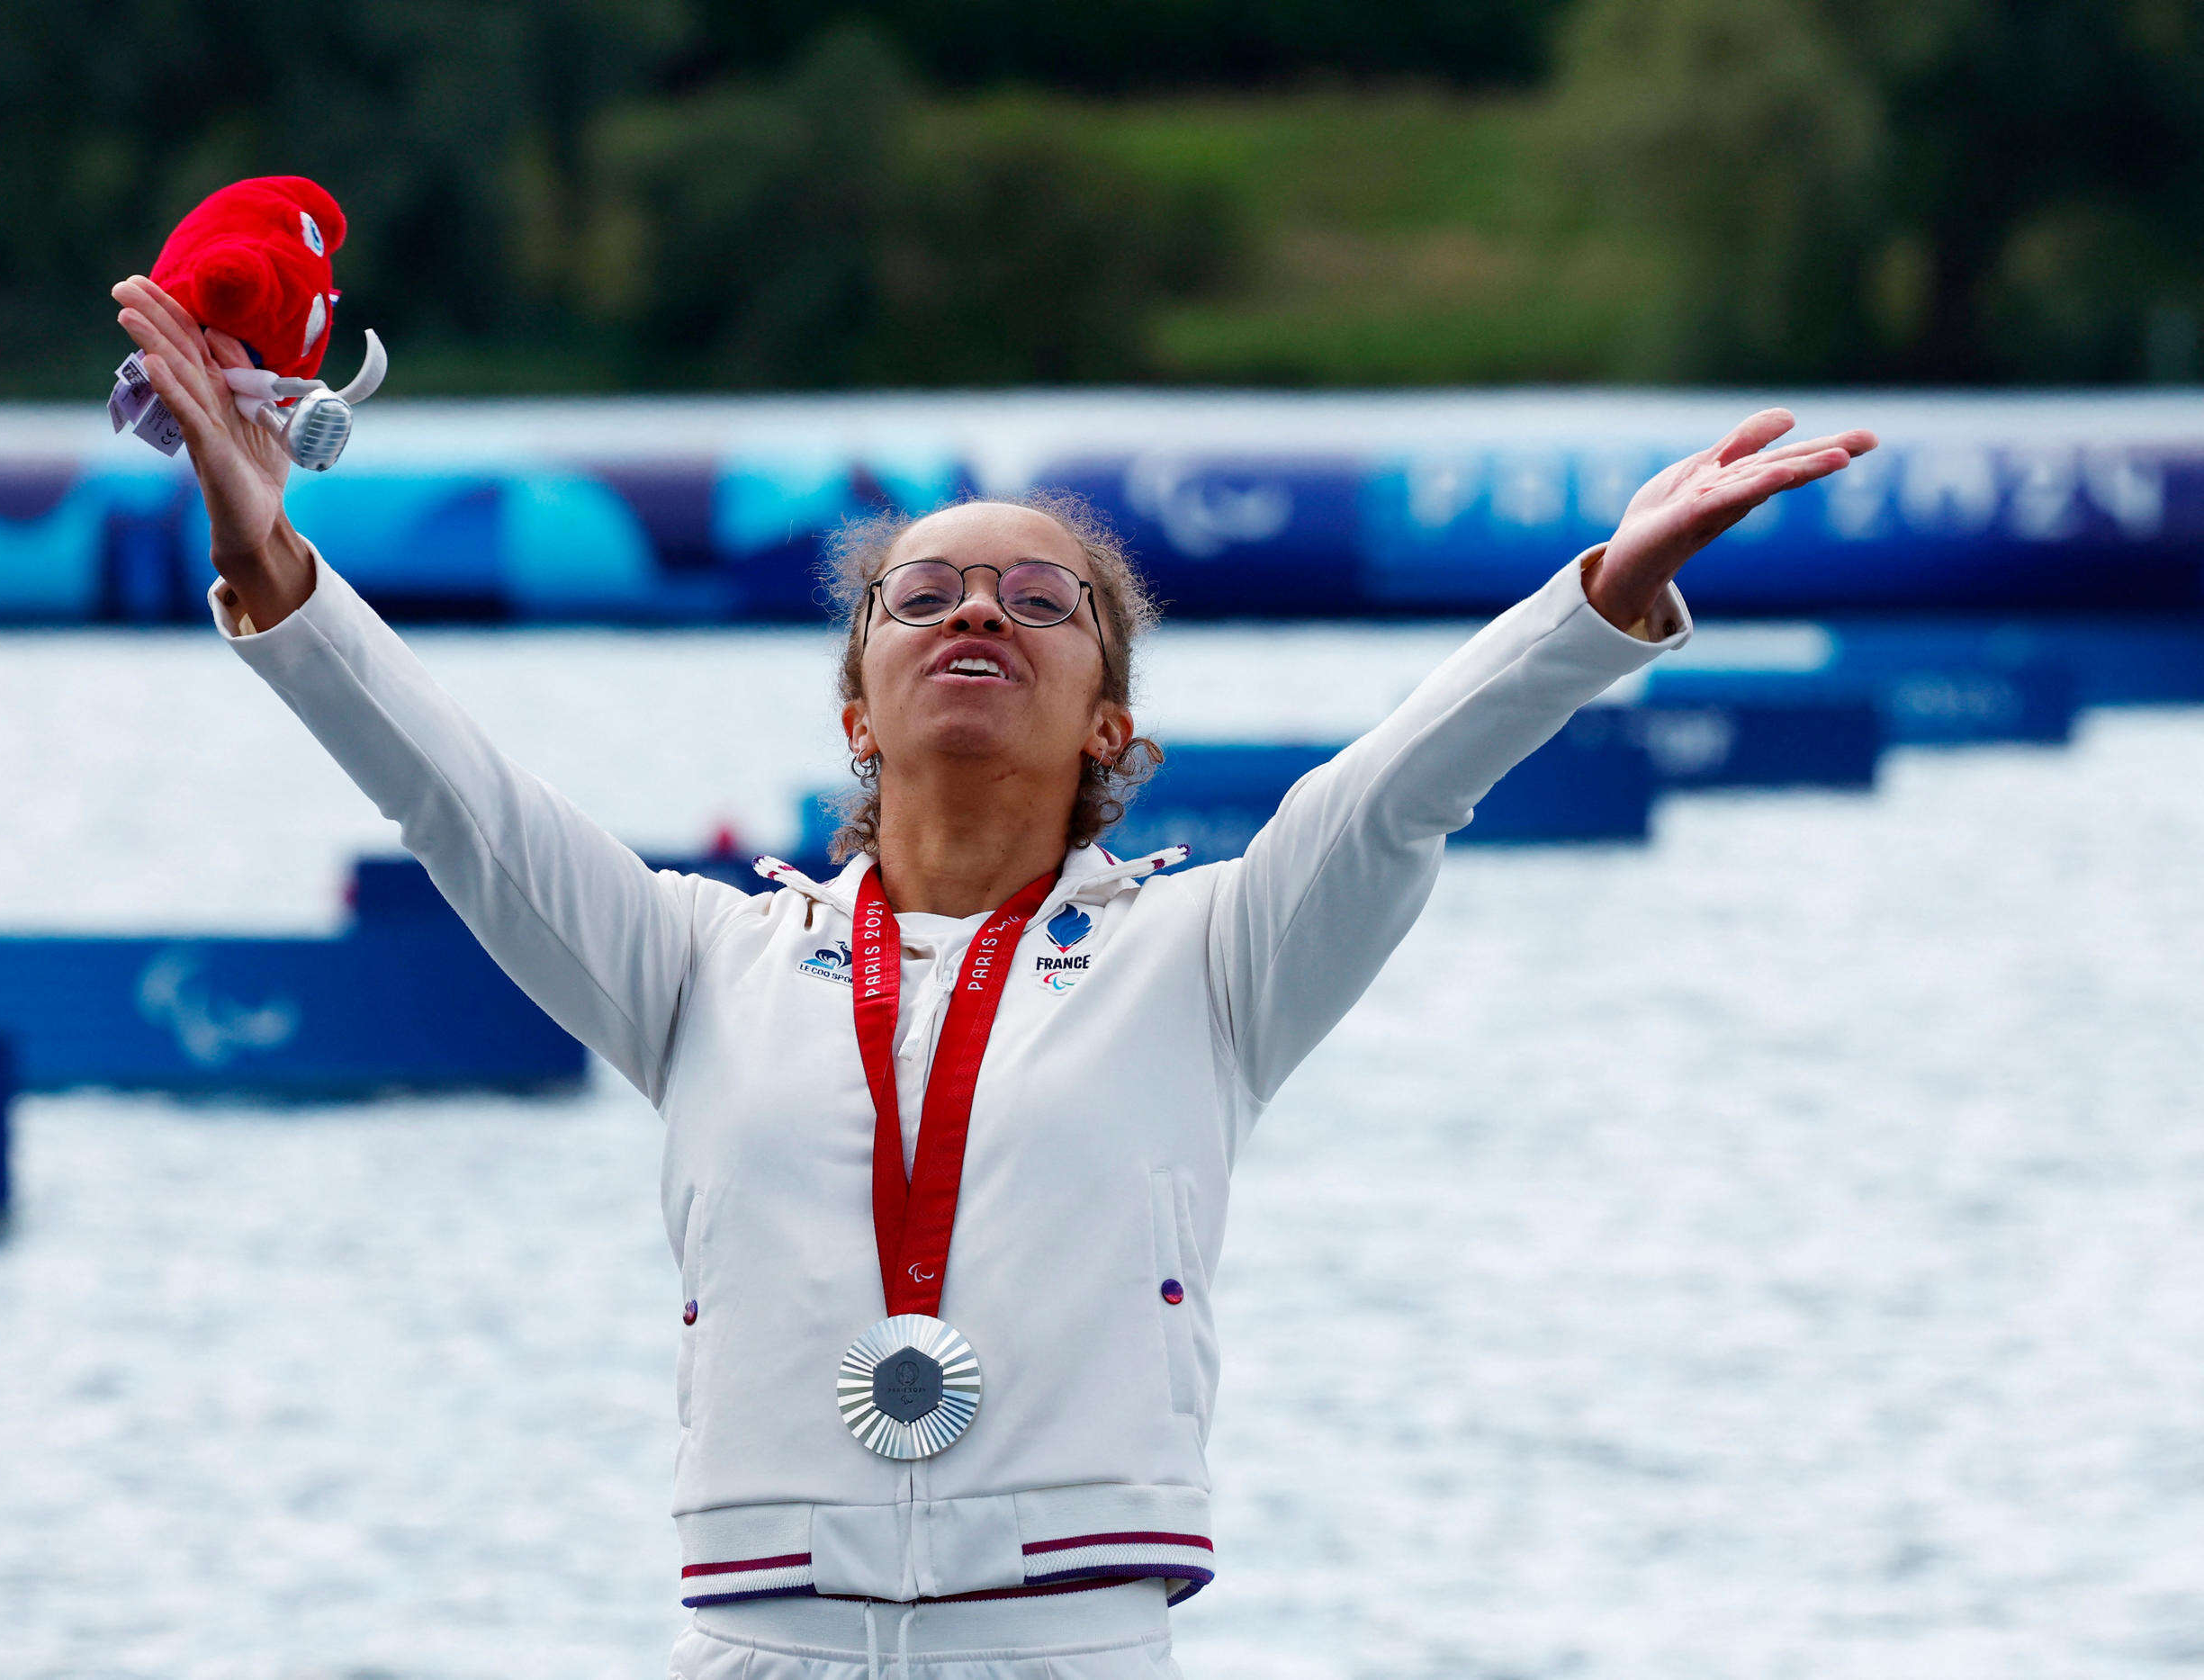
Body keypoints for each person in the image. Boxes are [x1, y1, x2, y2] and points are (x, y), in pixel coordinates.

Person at [112, 274, 1876, 1679]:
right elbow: (452, 791)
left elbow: (1400, 784)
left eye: (1036, 601)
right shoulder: (692, 961)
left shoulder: (1214, 958)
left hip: (1074, 1641)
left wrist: (1599, 598)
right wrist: (265, 551)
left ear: (1113, 722)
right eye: (923, 595)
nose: (973, 613)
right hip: (756, 1641)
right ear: (852, 705)